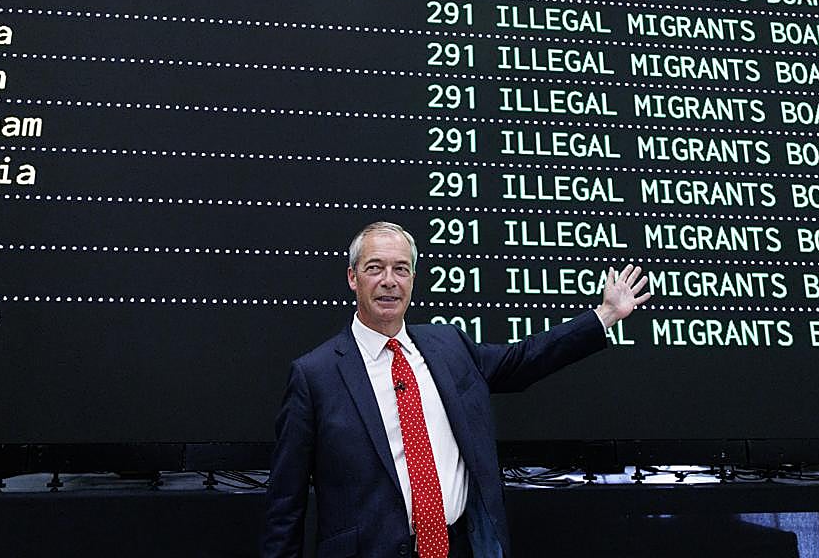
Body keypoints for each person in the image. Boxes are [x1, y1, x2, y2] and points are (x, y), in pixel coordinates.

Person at [261, 221, 650, 558]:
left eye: (401, 269)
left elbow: (524, 359)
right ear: (352, 278)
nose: (388, 281)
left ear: (413, 278)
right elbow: (285, 506)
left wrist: (605, 315)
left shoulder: (450, 347)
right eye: (374, 268)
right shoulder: (315, 375)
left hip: (462, 546)